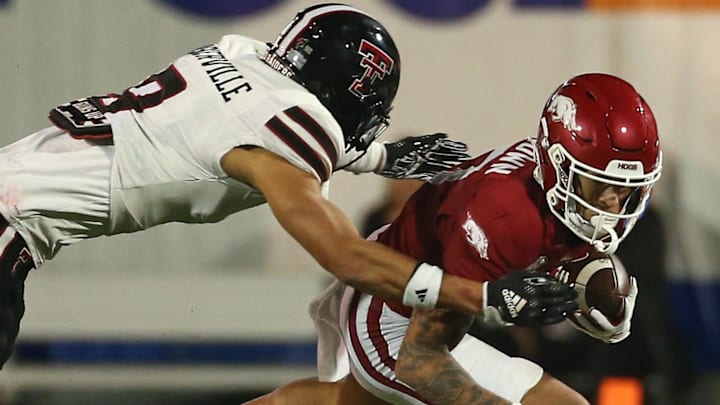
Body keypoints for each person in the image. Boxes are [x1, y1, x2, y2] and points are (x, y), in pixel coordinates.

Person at [0, 3, 577, 370]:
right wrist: (482, 297)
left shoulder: (237, 58)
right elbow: (347, 257)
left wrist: (377, 157)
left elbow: (233, 124)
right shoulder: (285, 142)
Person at [245, 72, 663, 404]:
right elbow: (419, 361)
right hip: (393, 315)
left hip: (431, 304)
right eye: (598, 186)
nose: (612, 205)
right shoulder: (503, 217)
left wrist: (584, 287)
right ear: (556, 164)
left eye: (627, 190)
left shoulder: (549, 191)